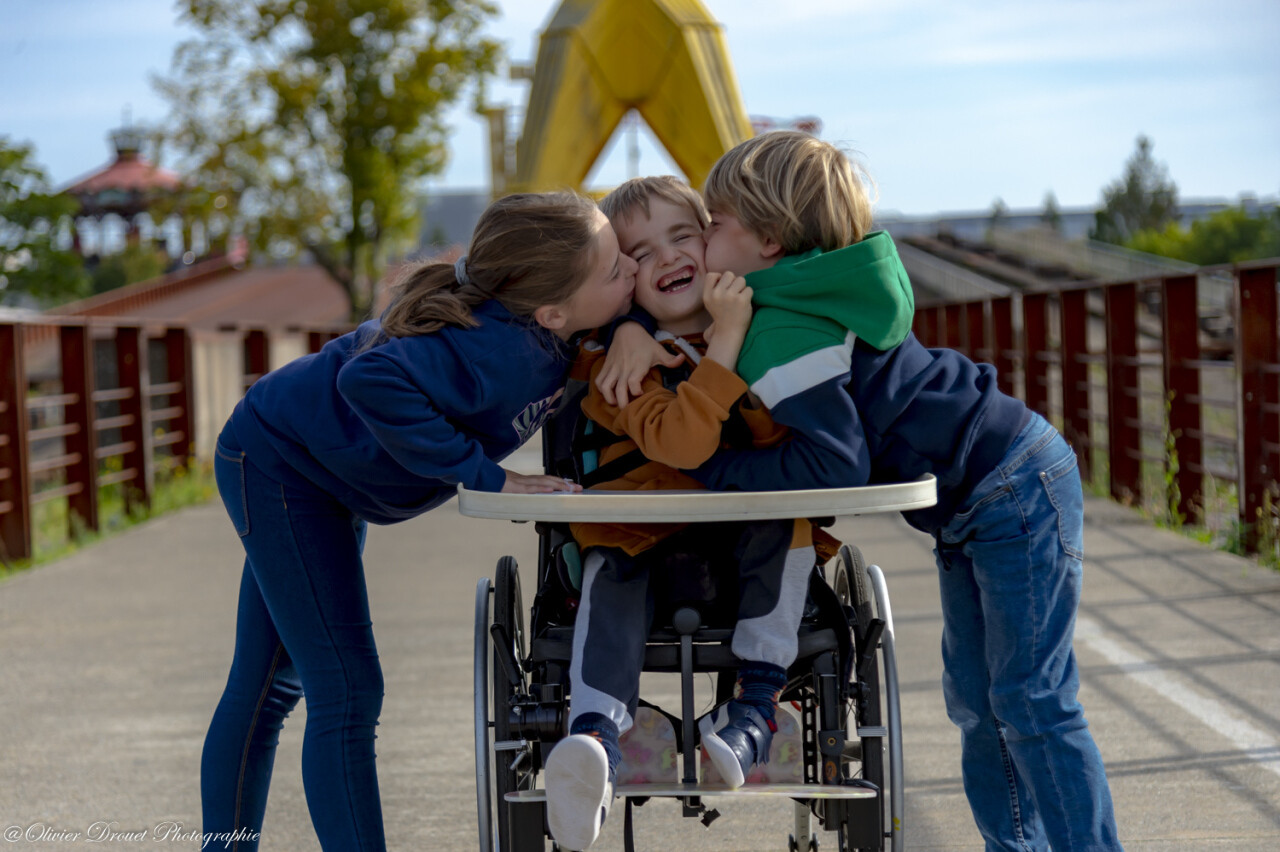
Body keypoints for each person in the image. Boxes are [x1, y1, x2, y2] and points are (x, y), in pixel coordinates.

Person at [608, 131, 1124, 851]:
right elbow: (665, 306)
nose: (699, 240)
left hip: (1010, 486)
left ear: (768, 238)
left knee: (1031, 703)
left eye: (712, 223)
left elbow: (836, 465)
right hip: (982, 491)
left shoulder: (784, 333)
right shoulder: (791, 290)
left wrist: (714, 474)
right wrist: (631, 326)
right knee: (979, 703)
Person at [200, 191, 638, 852]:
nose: (631, 270)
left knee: (269, 684)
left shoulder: (558, 321)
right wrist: (489, 474)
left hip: (322, 469)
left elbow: (625, 320)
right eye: (616, 269)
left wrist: (630, 327)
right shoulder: (496, 347)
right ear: (551, 311)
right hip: (280, 463)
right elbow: (368, 379)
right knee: (344, 691)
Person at [543, 175, 911, 852]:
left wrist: (733, 332)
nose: (670, 258)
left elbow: (789, 439)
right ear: (624, 281)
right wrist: (693, 339)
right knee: (608, 561)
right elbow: (680, 444)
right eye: (642, 253)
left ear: (714, 240)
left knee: (786, 525)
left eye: (685, 235)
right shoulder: (618, 365)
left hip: (750, 537)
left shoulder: (769, 328)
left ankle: (752, 713)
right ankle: (594, 738)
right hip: (645, 537)